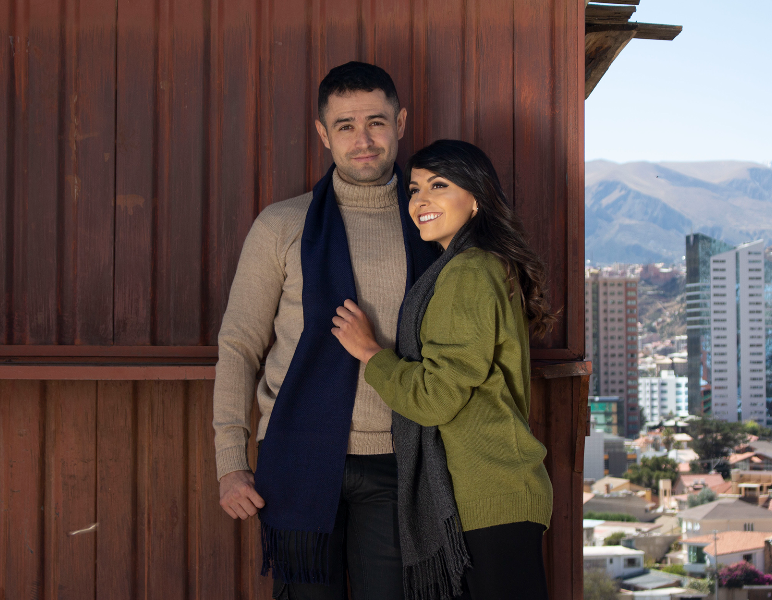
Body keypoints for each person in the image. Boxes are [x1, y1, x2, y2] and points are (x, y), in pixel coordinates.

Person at [213, 61, 438, 600]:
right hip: (297, 455)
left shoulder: (431, 223)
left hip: (398, 461)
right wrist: (230, 463)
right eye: (345, 125)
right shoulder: (283, 225)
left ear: (401, 123)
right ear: (323, 133)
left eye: (376, 122)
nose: (363, 140)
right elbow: (239, 344)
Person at [331, 139, 555, 600]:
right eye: (414, 189)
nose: (421, 201)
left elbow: (436, 397)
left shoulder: (468, 272)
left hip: (491, 493)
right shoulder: (477, 265)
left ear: (476, 198)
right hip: (494, 492)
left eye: (439, 185)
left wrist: (370, 353)